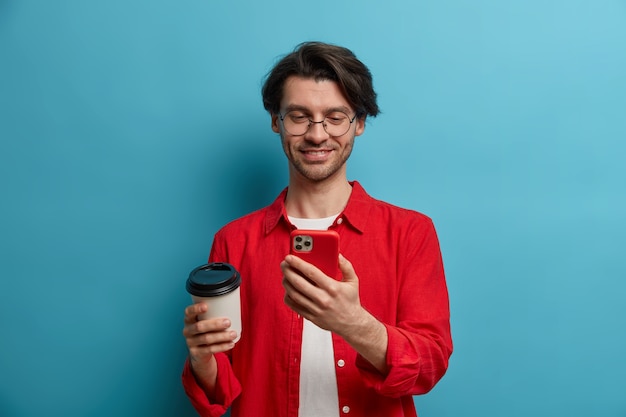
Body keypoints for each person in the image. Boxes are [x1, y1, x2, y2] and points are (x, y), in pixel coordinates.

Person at [182, 41, 452, 417]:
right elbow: (220, 390)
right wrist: (203, 359)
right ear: (276, 120)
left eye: (335, 117)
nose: (317, 134)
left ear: (359, 122)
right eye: (299, 116)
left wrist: (355, 325)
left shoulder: (411, 232)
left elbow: (430, 364)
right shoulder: (233, 242)